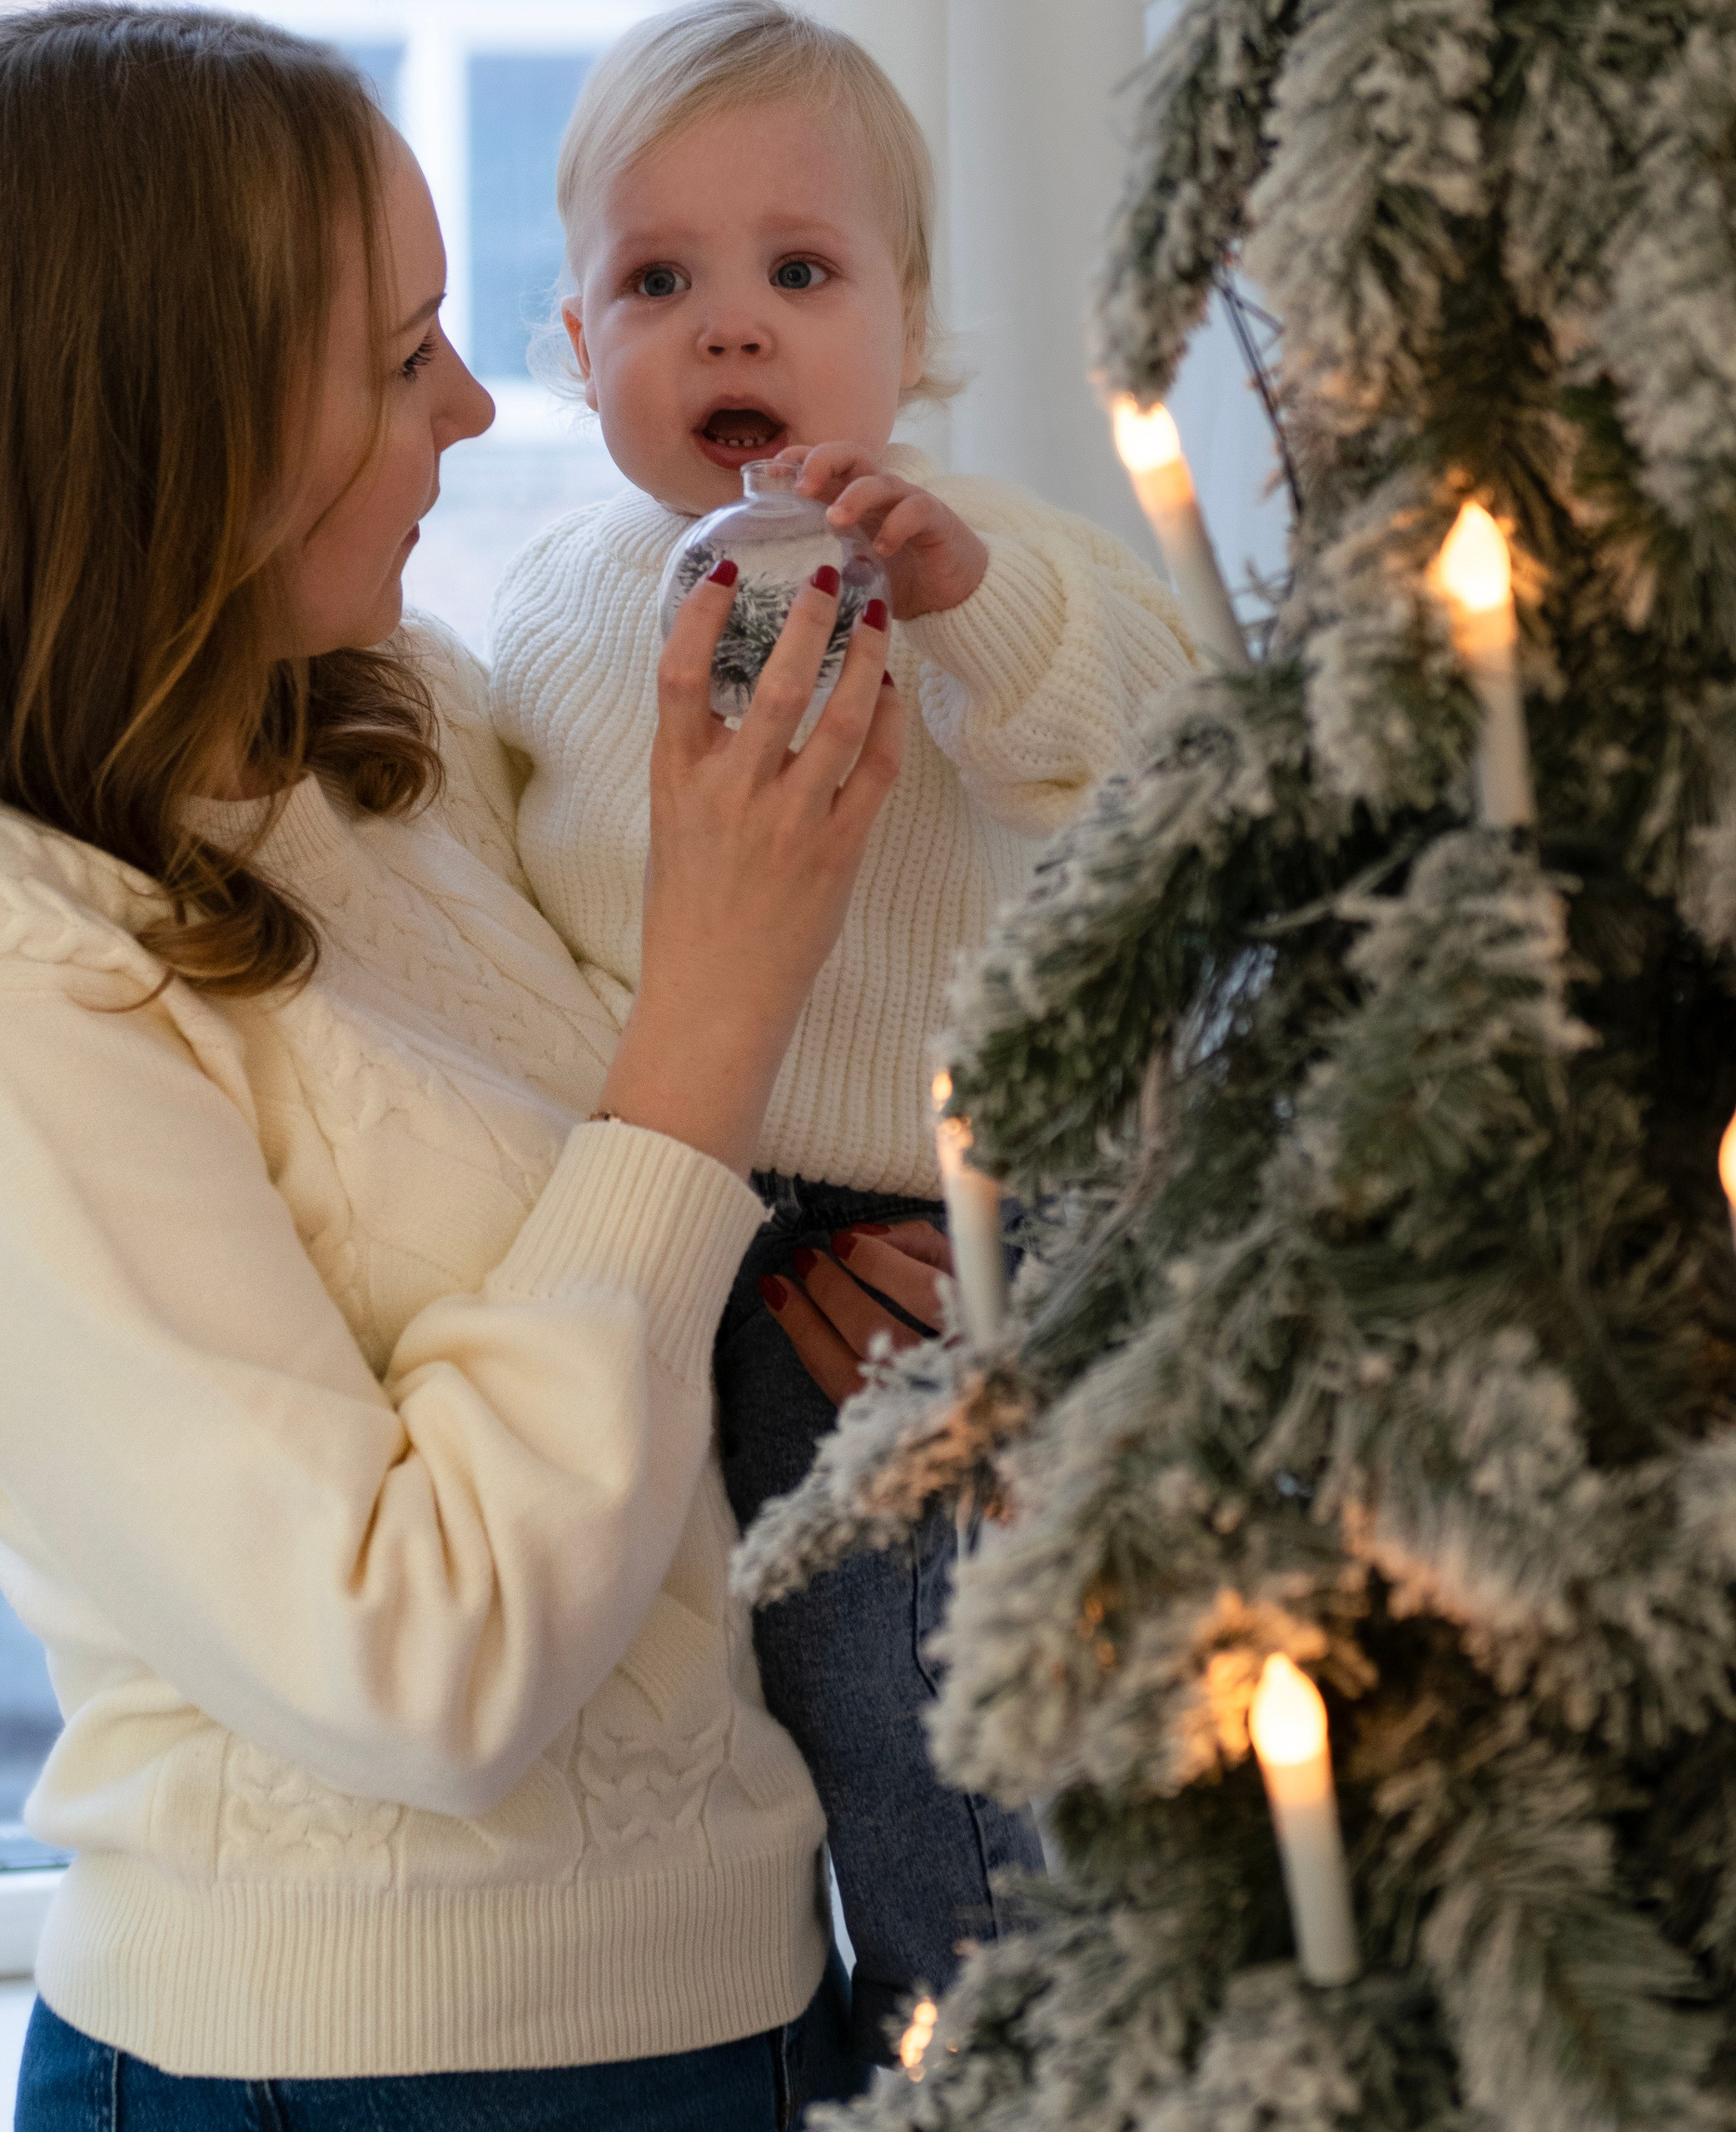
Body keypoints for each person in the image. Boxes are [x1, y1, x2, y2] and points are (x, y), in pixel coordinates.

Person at [0, 7, 922, 2125]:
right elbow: (420, 1661)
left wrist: (821, 1264)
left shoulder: (394, 719)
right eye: (402, 361)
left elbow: (634, 1231)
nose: (477, 405)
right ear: (184, 426)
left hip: (754, 1996)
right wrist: (716, 1013)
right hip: (335, 2075)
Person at [487, 0, 1196, 2063]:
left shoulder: (980, 555)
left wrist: (967, 600)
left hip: (937, 1251)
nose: (730, 324)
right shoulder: (548, 611)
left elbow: (1154, 735)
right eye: (657, 281)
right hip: (682, 1236)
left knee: (933, 1737)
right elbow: (523, 932)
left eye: (798, 271)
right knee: (720, 1728)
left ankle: (984, 2048)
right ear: (575, 340)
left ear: (909, 326)